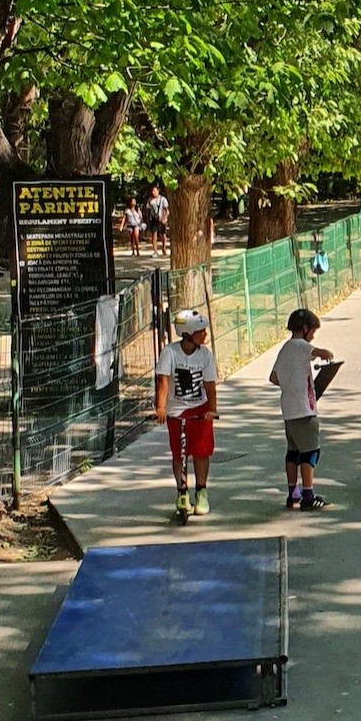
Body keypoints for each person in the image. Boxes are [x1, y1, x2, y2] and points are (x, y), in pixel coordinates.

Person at [270, 307, 334, 511]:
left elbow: (274, 377)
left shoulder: (285, 348)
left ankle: (293, 493)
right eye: (313, 332)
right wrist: (325, 353)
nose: (313, 336)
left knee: (293, 452)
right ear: (305, 328)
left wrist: (291, 382)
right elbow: (317, 352)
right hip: (304, 409)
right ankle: (308, 494)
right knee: (310, 452)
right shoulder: (301, 345)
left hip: (289, 409)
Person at [155, 308, 218, 517]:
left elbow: (210, 386)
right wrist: (161, 408)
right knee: (178, 453)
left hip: (200, 409)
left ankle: (201, 491)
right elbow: (163, 382)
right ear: (188, 333)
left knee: (201, 452)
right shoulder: (170, 352)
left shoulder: (205, 355)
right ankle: (182, 492)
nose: (205, 335)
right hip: (177, 410)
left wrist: (212, 410)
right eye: (201, 331)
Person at [142, 184, 169, 256]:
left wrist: (165, 218)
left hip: (161, 219)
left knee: (163, 235)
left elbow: (167, 210)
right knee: (154, 234)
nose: (153, 192)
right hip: (153, 219)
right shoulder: (150, 200)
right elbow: (147, 210)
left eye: (154, 191)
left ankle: (164, 248)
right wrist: (147, 220)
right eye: (152, 191)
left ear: (158, 191)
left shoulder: (163, 199)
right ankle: (155, 251)